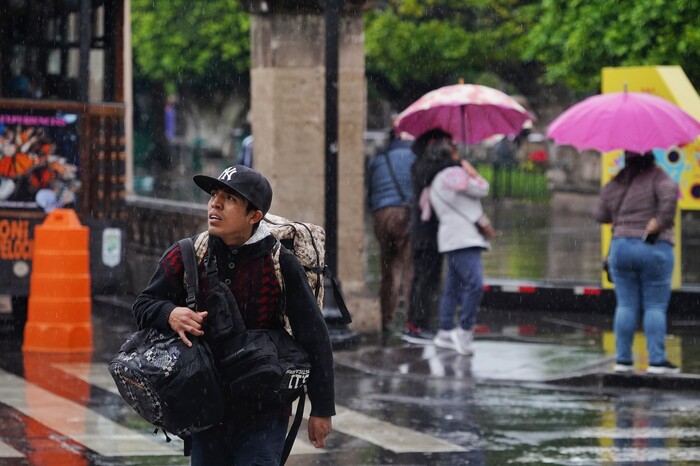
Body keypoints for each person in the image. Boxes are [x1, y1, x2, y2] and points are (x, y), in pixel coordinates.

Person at [132, 165, 335, 464]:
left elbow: (315, 336)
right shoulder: (189, 254)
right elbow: (144, 304)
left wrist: (321, 409)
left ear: (255, 216)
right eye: (214, 195)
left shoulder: (280, 262)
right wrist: (170, 313)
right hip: (206, 407)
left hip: (264, 410)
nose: (215, 203)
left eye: (229, 198)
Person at [594, 151, 679, 375]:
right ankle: (656, 361)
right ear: (651, 156)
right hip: (653, 246)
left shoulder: (616, 181)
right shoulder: (659, 178)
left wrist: (623, 217)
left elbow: (600, 214)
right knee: (654, 306)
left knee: (625, 305)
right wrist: (660, 221)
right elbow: (670, 201)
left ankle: (623, 360)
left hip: (620, 247)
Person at [428, 140, 495, 355]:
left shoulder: (436, 179)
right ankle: (464, 329)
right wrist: (472, 172)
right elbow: (483, 189)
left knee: (452, 287)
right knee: (475, 284)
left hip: (450, 238)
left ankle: (445, 331)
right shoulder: (453, 175)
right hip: (463, 238)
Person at [401, 129, 463, 344]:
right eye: (447, 142)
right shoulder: (436, 167)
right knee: (427, 280)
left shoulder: (420, 165)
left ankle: (415, 323)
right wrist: (456, 161)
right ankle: (418, 325)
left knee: (421, 278)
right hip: (430, 233)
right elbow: (453, 172)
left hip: (421, 231)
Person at [366, 129, 415, 334]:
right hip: (406, 212)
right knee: (409, 269)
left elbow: (369, 191)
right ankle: (412, 321)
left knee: (388, 269)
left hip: (381, 213)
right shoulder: (414, 156)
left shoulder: (379, 158)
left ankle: (386, 318)